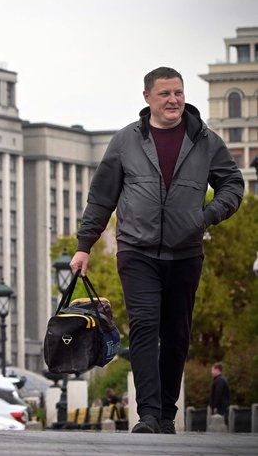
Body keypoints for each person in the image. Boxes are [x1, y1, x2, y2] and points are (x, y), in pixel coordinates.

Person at [70, 67, 244, 434]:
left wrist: (207, 216)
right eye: (165, 93)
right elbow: (102, 197)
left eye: (178, 92)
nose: (173, 100)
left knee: (177, 333)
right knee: (145, 327)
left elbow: (233, 184)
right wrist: (84, 246)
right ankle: (147, 415)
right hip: (137, 250)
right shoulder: (125, 141)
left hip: (186, 252)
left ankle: (166, 414)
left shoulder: (204, 140)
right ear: (148, 97)